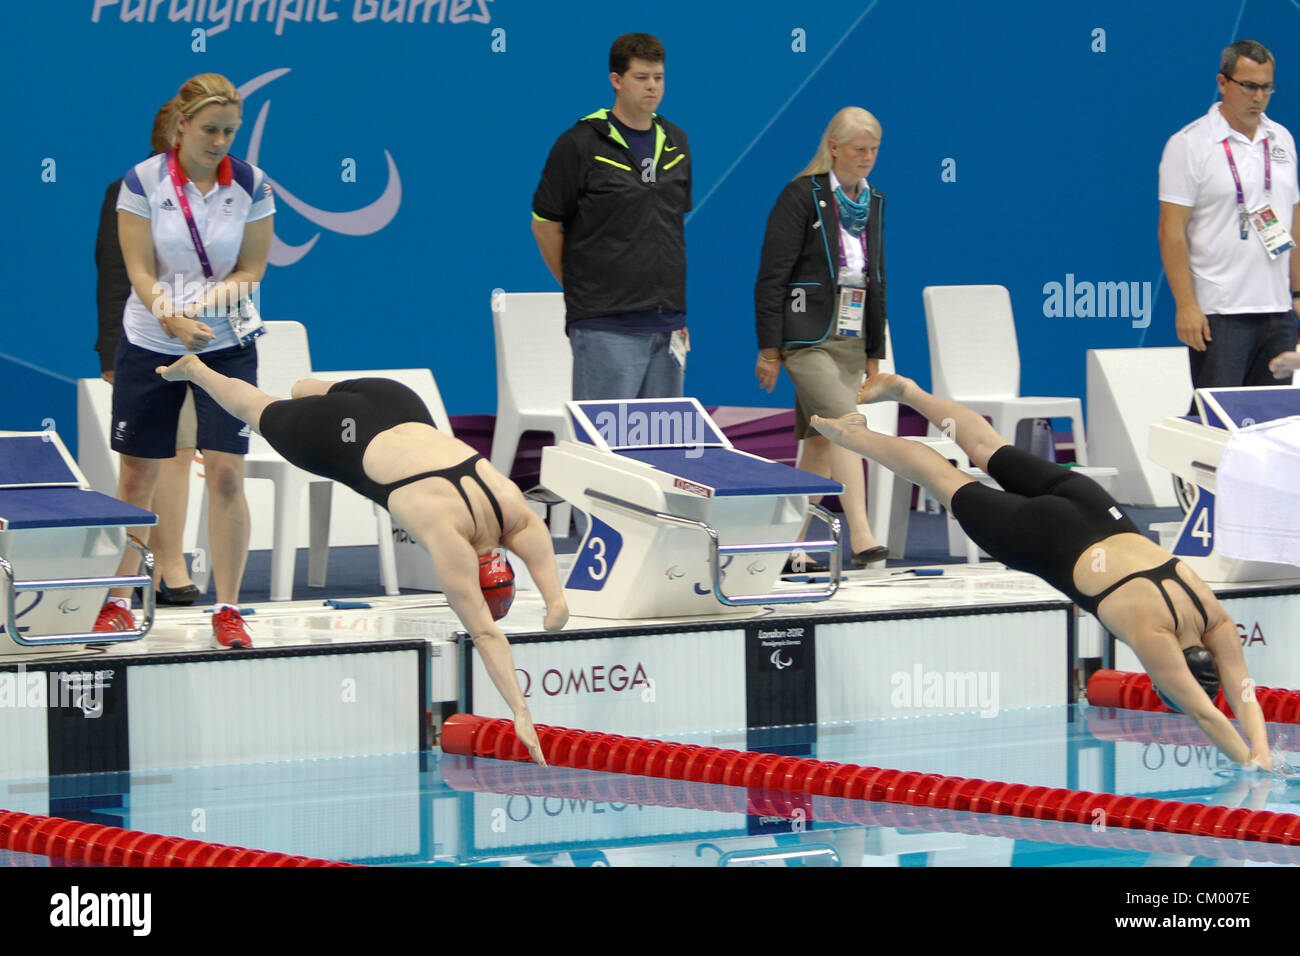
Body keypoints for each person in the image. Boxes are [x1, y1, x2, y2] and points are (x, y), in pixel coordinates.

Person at [812, 373, 1277, 771]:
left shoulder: (1211, 615)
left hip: (1095, 508)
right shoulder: (1153, 633)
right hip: (1047, 539)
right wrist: (1250, 767)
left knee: (989, 446)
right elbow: (1206, 715)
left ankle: (908, 391)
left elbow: (1243, 692)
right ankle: (854, 436)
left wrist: (1264, 752)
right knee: (947, 479)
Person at [156, 354, 568, 767]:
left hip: (395, 401)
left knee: (304, 390)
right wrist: (520, 710)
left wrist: (554, 612)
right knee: (256, 407)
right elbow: (486, 636)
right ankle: (198, 371)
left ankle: (305, 390)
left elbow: (559, 609)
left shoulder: (515, 512)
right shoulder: (451, 539)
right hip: (342, 436)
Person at [93, 73, 273, 649]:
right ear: (180, 126)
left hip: (225, 345)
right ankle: (120, 601)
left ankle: (229, 608)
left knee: (224, 471)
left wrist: (208, 304)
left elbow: (251, 271)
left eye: (230, 131)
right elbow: (139, 270)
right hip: (152, 338)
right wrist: (171, 315)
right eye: (210, 130)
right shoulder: (141, 182)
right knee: (138, 476)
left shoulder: (252, 185)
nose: (220, 142)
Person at [754, 107, 889, 570]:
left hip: (852, 338)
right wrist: (770, 350)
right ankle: (863, 535)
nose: (867, 158)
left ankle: (788, 547)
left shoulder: (874, 202)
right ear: (833, 147)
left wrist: (875, 350)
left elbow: (878, 277)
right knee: (847, 425)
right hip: (806, 338)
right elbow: (772, 275)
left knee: (820, 442)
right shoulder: (800, 196)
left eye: (873, 150)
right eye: (858, 150)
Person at [531, 32, 692, 401]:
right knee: (603, 451)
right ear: (616, 81)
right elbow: (544, 226)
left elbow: (669, 228)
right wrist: (583, 290)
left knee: (662, 452)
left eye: (659, 77)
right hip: (605, 326)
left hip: (668, 327)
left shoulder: (676, 142)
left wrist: (678, 319)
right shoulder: (579, 143)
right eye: (641, 78)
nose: (652, 87)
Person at [95, 101, 201, 607]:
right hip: (142, 345)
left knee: (181, 453)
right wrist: (111, 351)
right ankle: (125, 577)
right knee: (140, 466)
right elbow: (116, 274)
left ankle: (172, 562)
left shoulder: (224, 196)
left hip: (198, 345)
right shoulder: (130, 192)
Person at [1158, 40, 1300, 399]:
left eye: (1267, 87)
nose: (1259, 97)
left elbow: (1293, 222)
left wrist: (1298, 294)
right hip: (1220, 312)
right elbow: (1171, 230)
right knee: (1217, 428)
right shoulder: (1190, 144)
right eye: (1249, 86)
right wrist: (1187, 305)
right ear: (1223, 82)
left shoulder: (1281, 138)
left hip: (1277, 311)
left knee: (1270, 429)